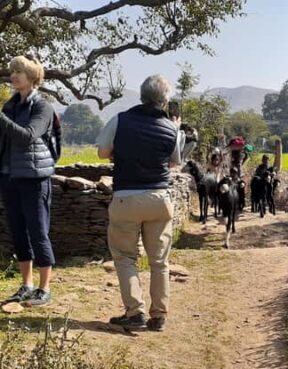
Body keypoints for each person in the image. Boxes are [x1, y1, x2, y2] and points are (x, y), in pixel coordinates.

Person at [0, 55, 56, 306]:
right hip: (9, 177)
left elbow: (26, 136)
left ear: (33, 77)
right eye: (12, 71)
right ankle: (26, 285)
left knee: (38, 232)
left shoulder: (43, 107)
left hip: (34, 179)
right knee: (18, 231)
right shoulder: (11, 106)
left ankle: (44, 288)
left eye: (20, 71)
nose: (14, 75)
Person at [95, 74, 181, 332]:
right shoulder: (171, 129)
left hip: (126, 197)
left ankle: (134, 312)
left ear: (141, 96)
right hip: (159, 198)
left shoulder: (120, 120)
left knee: (124, 258)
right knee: (159, 261)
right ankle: (159, 317)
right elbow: (174, 162)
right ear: (165, 101)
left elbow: (101, 153)